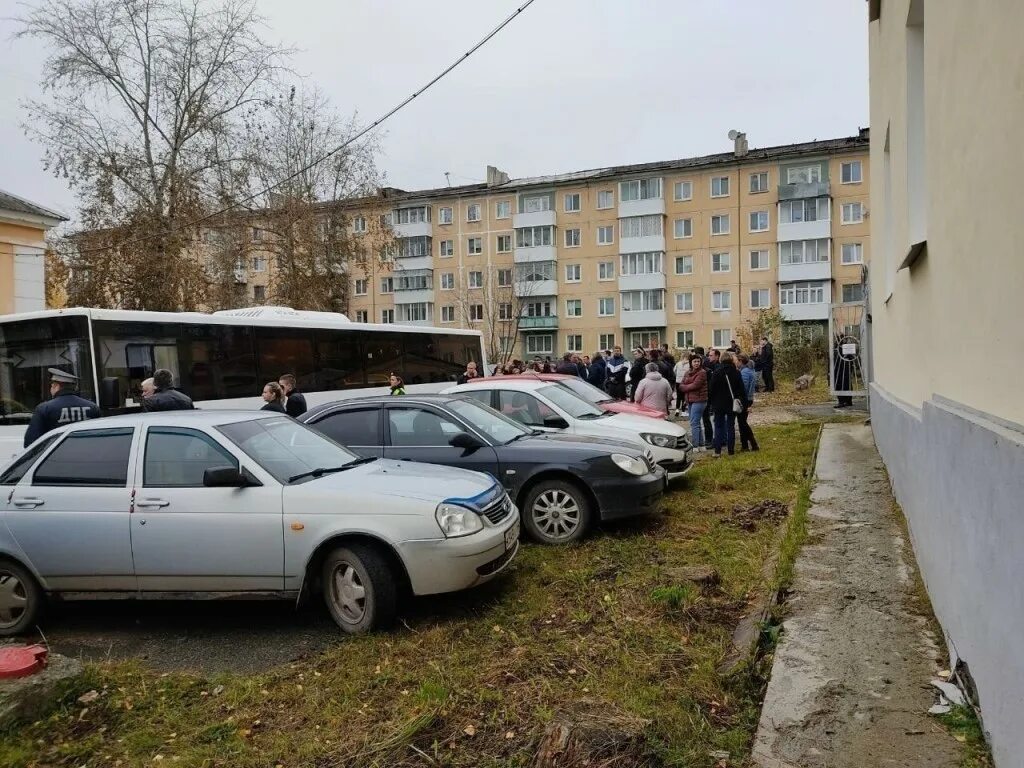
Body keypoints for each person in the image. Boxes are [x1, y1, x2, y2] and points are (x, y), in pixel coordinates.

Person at [23, 368, 100, 447]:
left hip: (57, 456)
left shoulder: (44, 408)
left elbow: (30, 443)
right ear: (75, 388)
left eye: (51, 386)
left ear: (56, 386)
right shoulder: (93, 407)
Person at [708, 352, 745, 457]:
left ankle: (717, 451)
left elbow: (711, 389)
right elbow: (741, 389)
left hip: (718, 403)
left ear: (721, 360)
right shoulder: (736, 372)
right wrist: (742, 401)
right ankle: (731, 451)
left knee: (718, 426)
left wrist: (711, 403)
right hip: (731, 403)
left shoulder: (716, 372)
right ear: (731, 360)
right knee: (730, 426)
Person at [680, 356, 709, 449]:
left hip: (700, 400)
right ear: (691, 362)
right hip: (690, 400)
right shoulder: (688, 372)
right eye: (694, 361)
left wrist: (685, 387)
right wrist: (686, 387)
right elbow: (681, 385)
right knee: (696, 423)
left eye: (698, 361)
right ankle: (701, 444)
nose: (696, 363)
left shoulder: (702, 372)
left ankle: (695, 445)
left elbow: (695, 385)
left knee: (694, 423)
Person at [736, 354, 760, 451]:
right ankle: (745, 445)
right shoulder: (750, 370)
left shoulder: (745, 372)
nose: (736, 363)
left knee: (743, 423)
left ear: (741, 361)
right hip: (748, 399)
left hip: (745, 399)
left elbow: (744, 388)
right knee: (742, 423)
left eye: (737, 361)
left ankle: (753, 444)